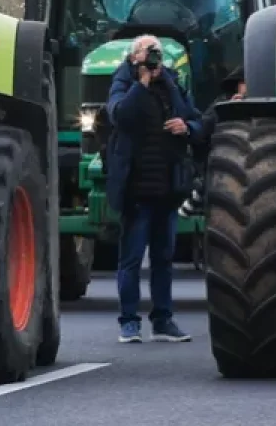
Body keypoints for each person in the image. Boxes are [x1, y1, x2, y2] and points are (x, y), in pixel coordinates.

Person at [106, 34, 204, 342]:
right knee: (132, 259)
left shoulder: (172, 84)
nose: (153, 60)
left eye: (157, 54)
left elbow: (196, 120)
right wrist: (142, 82)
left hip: (167, 188)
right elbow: (120, 115)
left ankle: (163, 319)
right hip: (136, 190)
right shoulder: (124, 83)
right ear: (134, 57)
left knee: (164, 259)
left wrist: (186, 128)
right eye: (147, 54)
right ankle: (129, 322)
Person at [180, 65, 245, 219]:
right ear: (238, 85)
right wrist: (231, 110)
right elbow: (204, 128)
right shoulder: (223, 103)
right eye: (244, 83)